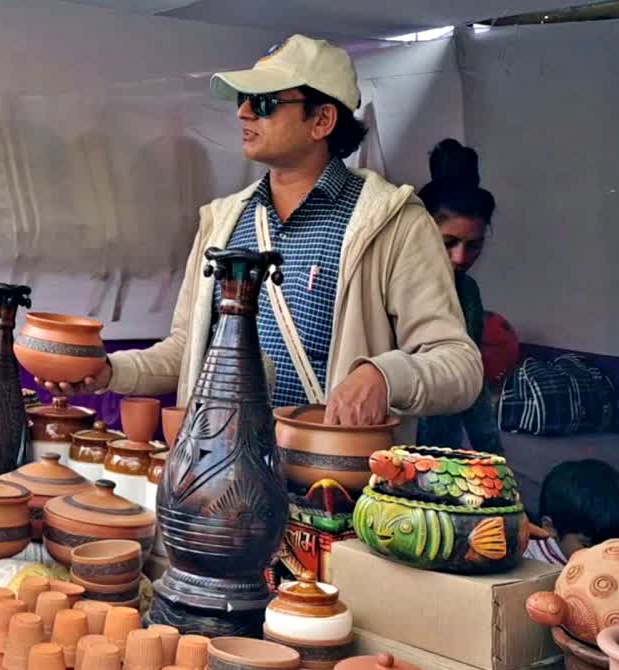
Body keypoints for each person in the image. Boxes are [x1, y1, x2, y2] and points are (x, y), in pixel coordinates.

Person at [42, 35, 482, 439]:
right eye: (243, 100)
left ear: (322, 120)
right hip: (217, 473)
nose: (243, 112)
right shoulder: (222, 220)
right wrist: (108, 371)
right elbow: (187, 351)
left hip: (325, 483)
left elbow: (459, 364)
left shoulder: (394, 222)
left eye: (265, 102)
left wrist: (384, 376)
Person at [415, 139, 504, 452]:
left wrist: (492, 455)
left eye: (474, 245)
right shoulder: (394, 284)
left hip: (441, 450)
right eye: (448, 242)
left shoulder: (468, 293)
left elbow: (472, 378)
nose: (460, 258)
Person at [525, 459, 619, 565]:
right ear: (549, 527)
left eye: (615, 546)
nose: (603, 556)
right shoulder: (528, 559)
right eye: (587, 546)